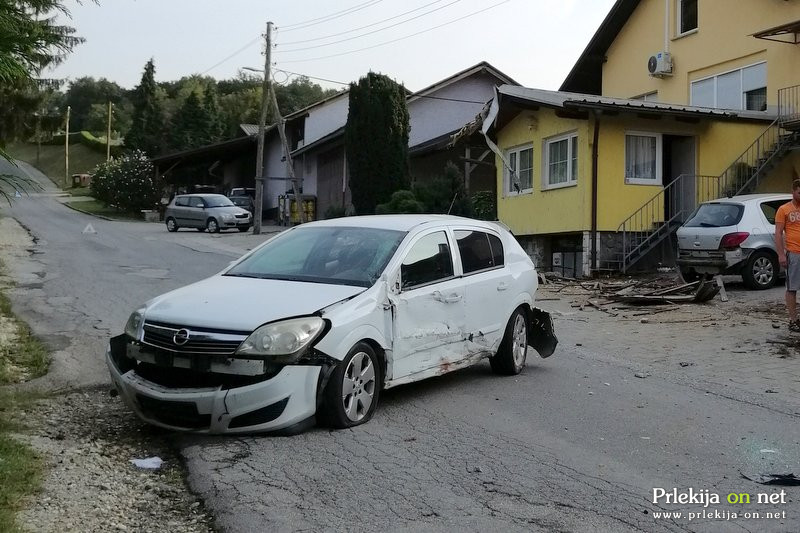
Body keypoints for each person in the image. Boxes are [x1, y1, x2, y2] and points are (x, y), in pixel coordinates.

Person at [775, 179, 800, 331]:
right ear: (793, 191)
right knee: (792, 288)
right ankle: (793, 320)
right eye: (799, 192)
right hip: (794, 253)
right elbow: (778, 233)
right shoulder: (784, 209)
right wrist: (781, 255)